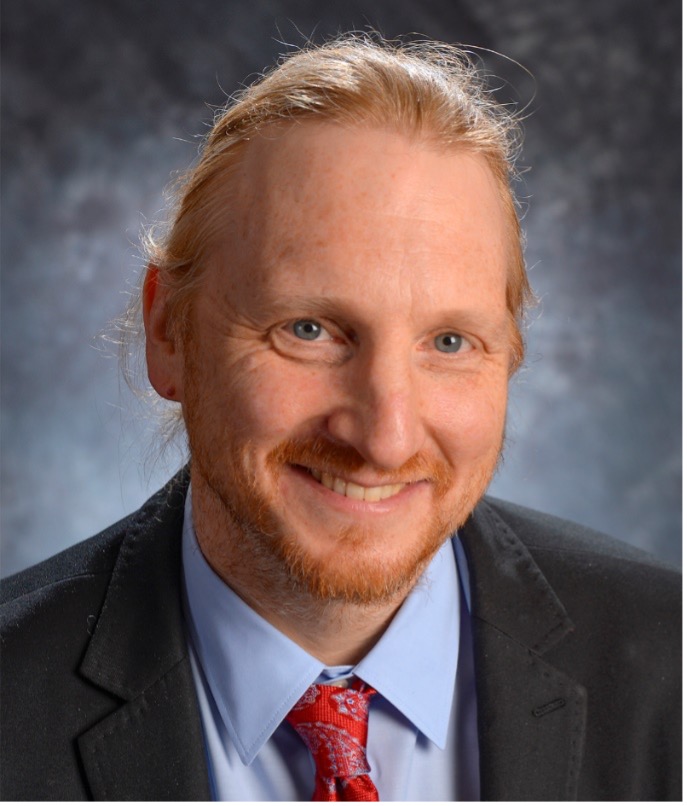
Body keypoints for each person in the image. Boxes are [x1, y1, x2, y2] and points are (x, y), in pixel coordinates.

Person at [0, 34, 680, 802]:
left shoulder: (669, 668)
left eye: (449, 342)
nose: (383, 439)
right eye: (310, 331)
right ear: (170, 334)